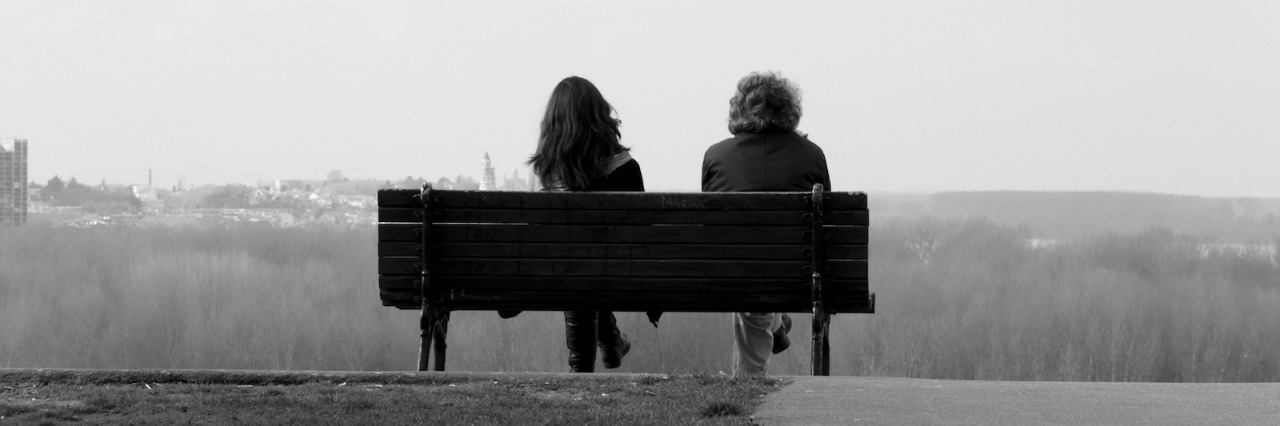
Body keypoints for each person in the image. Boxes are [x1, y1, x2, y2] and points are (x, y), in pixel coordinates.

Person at [702, 71, 831, 376]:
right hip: (796, 276)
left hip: (731, 275)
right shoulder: (812, 156)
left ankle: (769, 331)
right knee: (757, 268)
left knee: (745, 264)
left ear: (739, 109)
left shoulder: (716, 156)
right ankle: (770, 330)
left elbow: (713, 231)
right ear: (788, 110)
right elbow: (827, 228)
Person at [529, 76, 640, 372]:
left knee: (575, 264)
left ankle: (584, 366)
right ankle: (611, 341)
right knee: (589, 265)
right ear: (600, 117)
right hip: (624, 276)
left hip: (564, 276)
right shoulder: (627, 169)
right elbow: (641, 237)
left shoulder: (549, 179)